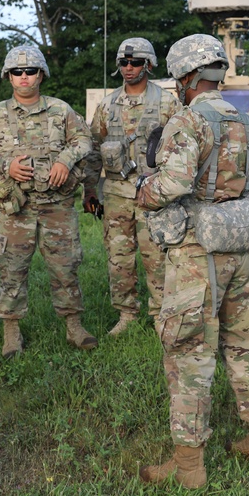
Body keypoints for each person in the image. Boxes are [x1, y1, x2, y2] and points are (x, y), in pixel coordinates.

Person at [135, 34, 249, 489]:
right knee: (247, 347)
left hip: (196, 257)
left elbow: (174, 184)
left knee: (188, 356)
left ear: (185, 76)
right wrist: (237, 201)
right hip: (244, 252)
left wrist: (144, 191)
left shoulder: (186, 121)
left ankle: (189, 469)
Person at [0, 44, 96, 358]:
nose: (24, 77)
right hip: (17, 207)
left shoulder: (60, 110)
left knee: (65, 266)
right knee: (11, 268)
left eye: (30, 71)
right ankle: (11, 331)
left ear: (41, 74)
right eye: (17, 72)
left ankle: (73, 325)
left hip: (57, 206)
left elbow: (84, 139)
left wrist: (65, 161)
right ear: (9, 77)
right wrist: (6, 166)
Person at [84, 37, 180, 335]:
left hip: (154, 196)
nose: (128, 67)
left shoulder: (167, 103)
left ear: (148, 65)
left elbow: (182, 148)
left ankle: (161, 313)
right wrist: (89, 190)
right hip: (115, 196)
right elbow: (93, 149)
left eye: (135, 62)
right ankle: (126, 314)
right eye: (123, 62)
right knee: (119, 260)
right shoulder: (107, 105)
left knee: (158, 258)